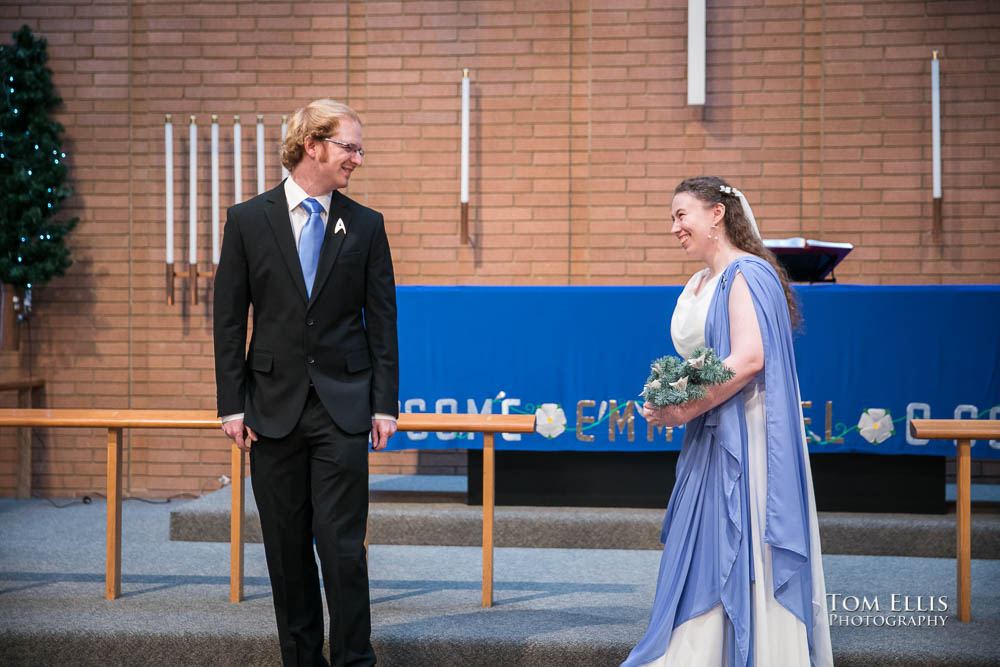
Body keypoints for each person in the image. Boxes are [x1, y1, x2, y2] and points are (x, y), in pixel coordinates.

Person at [213, 98, 399, 667]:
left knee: (343, 549)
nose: (358, 159)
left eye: (359, 148)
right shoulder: (247, 220)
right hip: (270, 408)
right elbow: (228, 317)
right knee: (286, 551)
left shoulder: (365, 225)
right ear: (312, 145)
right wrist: (231, 403)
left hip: (343, 408)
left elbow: (382, 320)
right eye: (350, 146)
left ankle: (353, 659)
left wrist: (384, 404)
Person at [622, 177, 833, 667]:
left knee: (740, 539)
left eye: (682, 214)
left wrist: (686, 405)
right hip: (711, 431)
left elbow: (750, 357)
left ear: (717, 214)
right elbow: (708, 359)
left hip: (747, 433)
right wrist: (669, 393)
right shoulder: (699, 282)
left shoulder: (747, 273)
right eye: (672, 217)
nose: (674, 227)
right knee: (700, 546)